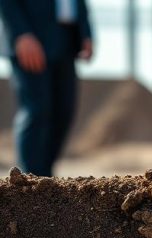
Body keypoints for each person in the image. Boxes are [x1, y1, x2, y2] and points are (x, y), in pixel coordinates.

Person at [0, 0, 94, 177]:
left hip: (65, 40)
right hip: (31, 39)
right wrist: (21, 33)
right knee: (37, 110)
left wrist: (86, 32)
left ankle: (45, 177)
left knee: (64, 111)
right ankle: (30, 181)